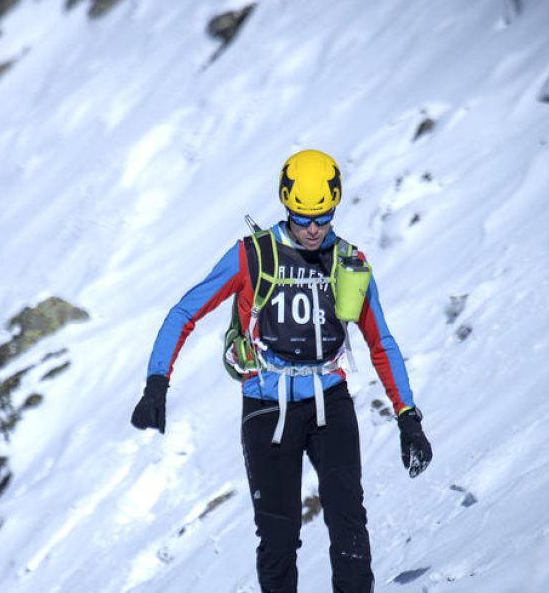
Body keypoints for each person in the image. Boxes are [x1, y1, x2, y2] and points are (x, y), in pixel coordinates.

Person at [131, 149, 433, 592]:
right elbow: (183, 313)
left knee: (349, 522)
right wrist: (157, 383)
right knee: (277, 538)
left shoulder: (348, 262)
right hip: (266, 406)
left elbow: (380, 341)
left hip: (330, 401)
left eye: (323, 217)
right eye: (301, 216)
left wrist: (407, 416)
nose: (313, 228)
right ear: (286, 204)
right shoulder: (250, 256)